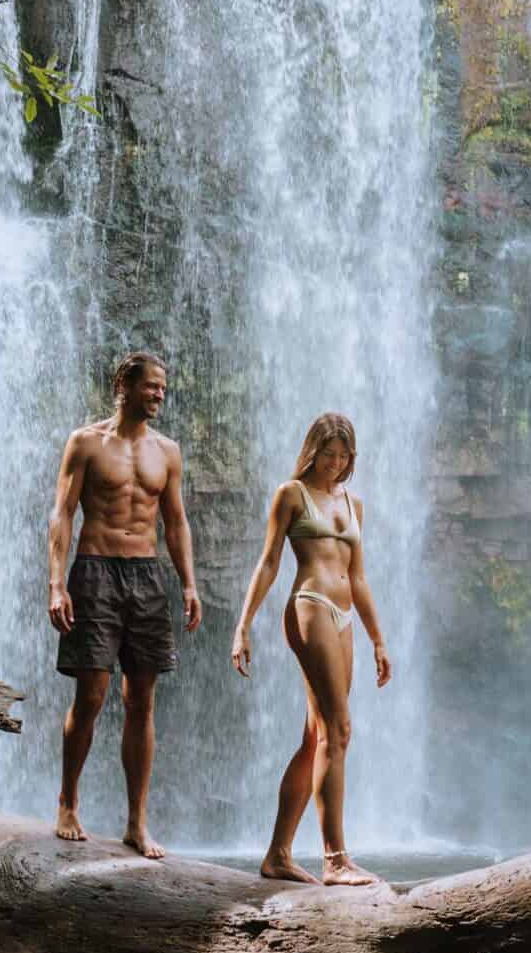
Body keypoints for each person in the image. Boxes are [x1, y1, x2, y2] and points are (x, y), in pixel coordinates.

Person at [48, 351, 201, 858]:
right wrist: (56, 583)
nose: (159, 394)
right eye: (152, 386)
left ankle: (137, 823)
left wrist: (189, 585)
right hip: (95, 572)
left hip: (147, 575)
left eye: (164, 388)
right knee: (91, 695)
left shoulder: (168, 452)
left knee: (142, 700)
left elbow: (175, 522)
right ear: (124, 385)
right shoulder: (86, 443)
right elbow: (63, 513)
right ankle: (68, 801)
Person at [231, 412, 391, 886]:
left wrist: (378, 639)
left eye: (344, 457)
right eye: (328, 455)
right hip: (310, 606)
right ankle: (335, 859)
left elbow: (358, 577)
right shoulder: (292, 494)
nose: (336, 464)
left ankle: (278, 854)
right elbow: (269, 563)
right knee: (338, 729)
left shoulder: (353, 503)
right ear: (312, 451)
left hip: (343, 617)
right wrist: (243, 627)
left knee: (315, 736)